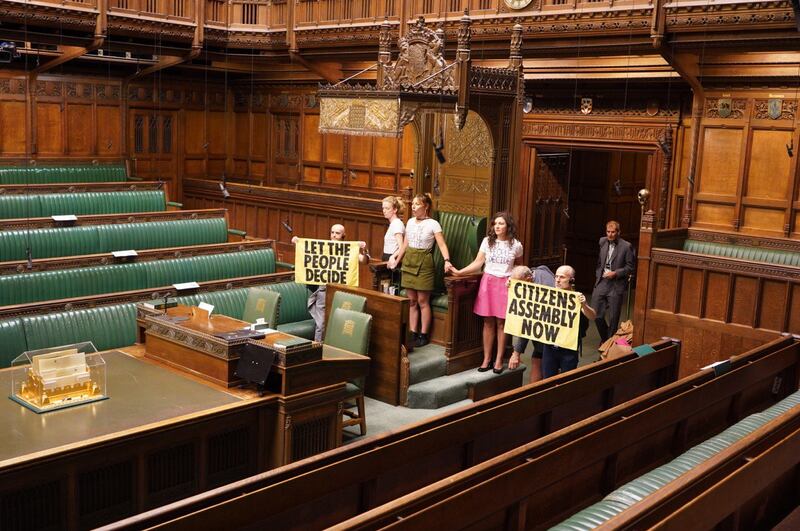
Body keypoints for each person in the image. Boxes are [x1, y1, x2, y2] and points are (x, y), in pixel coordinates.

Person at [451, 212, 523, 373]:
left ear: (508, 226)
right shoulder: (487, 242)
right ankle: (486, 358)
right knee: (488, 322)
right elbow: (478, 263)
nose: (497, 226)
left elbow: (519, 266)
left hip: (505, 284)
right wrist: (459, 272)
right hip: (488, 282)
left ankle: (498, 360)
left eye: (501, 223)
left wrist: (517, 278)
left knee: (501, 323)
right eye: (495, 223)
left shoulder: (516, 245)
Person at [389, 194, 454, 347]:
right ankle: (412, 333)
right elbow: (405, 245)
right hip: (409, 261)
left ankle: (423, 334)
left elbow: (442, 245)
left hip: (424, 262)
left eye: (417, 204)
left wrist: (446, 260)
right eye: (413, 204)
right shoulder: (410, 222)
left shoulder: (434, 224)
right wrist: (397, 261)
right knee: (412, 301)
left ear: (426, 207)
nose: (413, 206)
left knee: (423, 301)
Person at [293, 224, 367, 342]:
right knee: (321, 323)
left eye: (337, 233)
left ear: (343, 235)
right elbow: (307, 253)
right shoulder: (324, 248)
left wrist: (364, 250)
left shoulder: (348, 248)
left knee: (340, 322)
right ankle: (317, 347)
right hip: (324, 290)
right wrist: (298, 243)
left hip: (341, 292)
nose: (334, 235)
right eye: (332, 232)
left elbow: (364, 260)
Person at [541, 265, 596, 379]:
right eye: (556, 276)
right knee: (547, 380)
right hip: (550, 346)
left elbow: (593, 316)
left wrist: (584, 305)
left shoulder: (576, 298)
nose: (557, 280)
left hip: (568, 348)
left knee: (567, 380)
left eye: (562, 277)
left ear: (571, 280)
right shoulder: (548, 294)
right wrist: (511, 284)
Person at [508, 265, 555, 383]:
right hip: (539, 334)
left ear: (528, 279)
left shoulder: (543, 285)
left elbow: (528, 324)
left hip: (550, 334)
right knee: (536, 359)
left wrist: (516, 353)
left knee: (547, 367)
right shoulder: (533, 274)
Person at [591, 220, 635, 344]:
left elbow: (630, 267)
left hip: (616, 284)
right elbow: (600, 262)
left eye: (613, 232)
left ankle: (608, 345)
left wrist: (615, 273)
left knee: (613, 318)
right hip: (602, 282)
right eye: (608, 232)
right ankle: (607, 339)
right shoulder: (602, 241)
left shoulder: (626, 246)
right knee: (596, 314)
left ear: (618, 232)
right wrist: (599, 274)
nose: (610, 234)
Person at [382, 196, 405, 262]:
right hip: (387, 256)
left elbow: (401, 247)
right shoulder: (393, 224)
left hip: (391, 258)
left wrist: (393, 257)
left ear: (395, 210)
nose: (384, 211)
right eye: (383, 208)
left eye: (387, 208)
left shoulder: (397, 224)